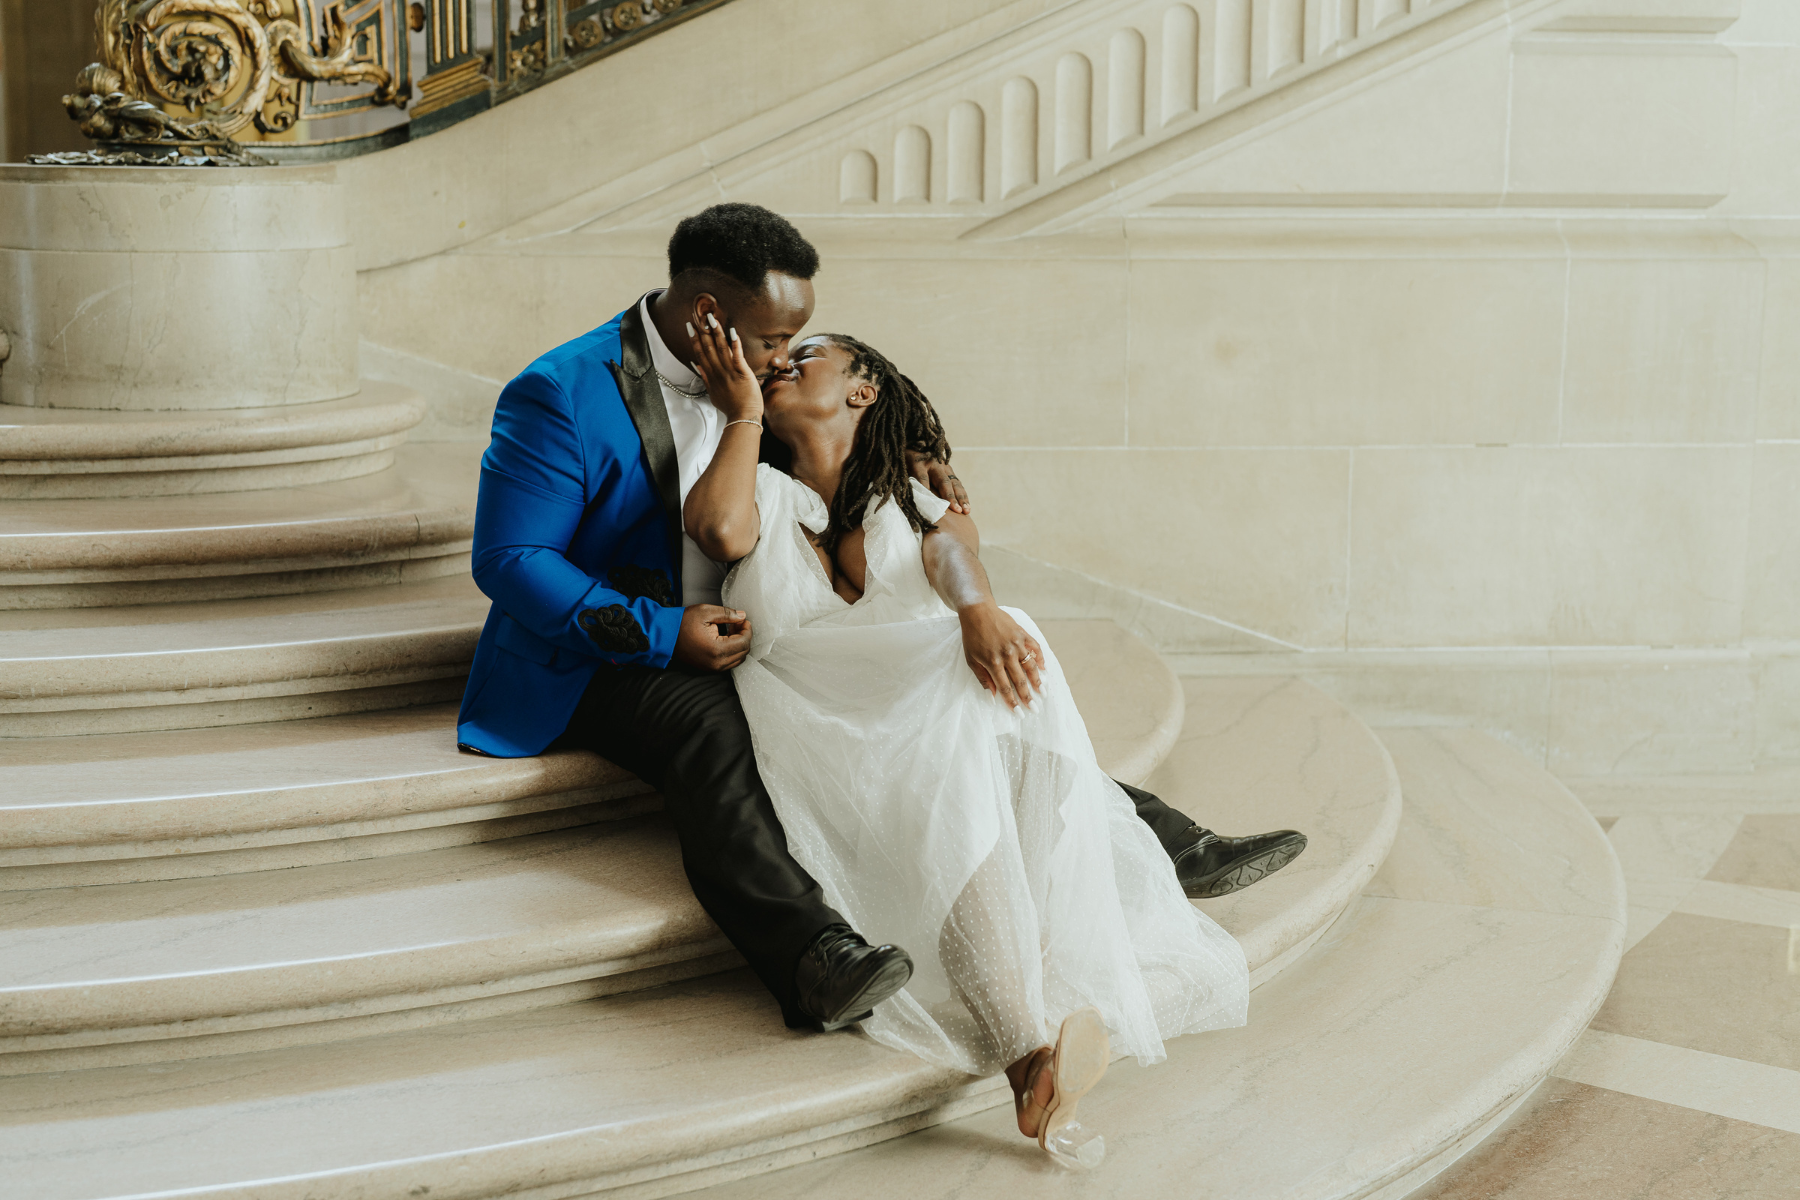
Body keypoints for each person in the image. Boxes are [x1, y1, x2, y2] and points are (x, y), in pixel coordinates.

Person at [455, 202, 1305, 1051]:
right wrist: (657, 630)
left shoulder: (762, 385)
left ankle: (1153, 839)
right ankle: (814, 958)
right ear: (708, 312)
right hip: (611, 655)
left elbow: (838, 452)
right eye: (775, 341)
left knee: (940, 682)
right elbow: (512, 560)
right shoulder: (561, 392)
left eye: (799, 342)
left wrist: (911, 460)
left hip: (775, 625)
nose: (785, 358)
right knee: (716, 730)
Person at [681, 319, 1253, 1168]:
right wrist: (740, 413)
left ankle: (1029, 1057)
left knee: (986, 668)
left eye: (809, 360)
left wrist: (977, 612)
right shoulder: (764, 492)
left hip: (921, 720)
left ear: (862, 390)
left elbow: (951, 551)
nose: (782, 368)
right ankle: (1029, 1009)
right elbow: (720, 534)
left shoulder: (908, 495)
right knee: (956, 727)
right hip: (811, 712)